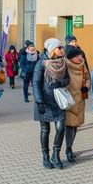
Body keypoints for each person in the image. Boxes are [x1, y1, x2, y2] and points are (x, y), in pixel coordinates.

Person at [33, 38, 70, 169]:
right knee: (45, 130)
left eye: (61, 47)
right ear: (52, 49)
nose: (61, 49)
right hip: (44, 102)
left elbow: (67, 79)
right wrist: (39, 101)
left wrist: (60, 83)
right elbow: (36, 83)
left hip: (58, 101)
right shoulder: (41, 64)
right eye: (59, 47)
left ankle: (56, 154)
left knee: (61, 127)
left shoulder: (63, 63)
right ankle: (45, 156)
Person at [64, 46, 91, 163]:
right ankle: (68, 149)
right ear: (70, 58)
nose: (80, 58)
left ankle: (70, 147)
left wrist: (86, 87)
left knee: (75, 125)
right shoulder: (64, 66)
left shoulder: (82, 65)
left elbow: (88, 78)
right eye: (77, 56)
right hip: (69, 100)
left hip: (80, 99)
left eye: (80, 55)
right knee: (70, 126)